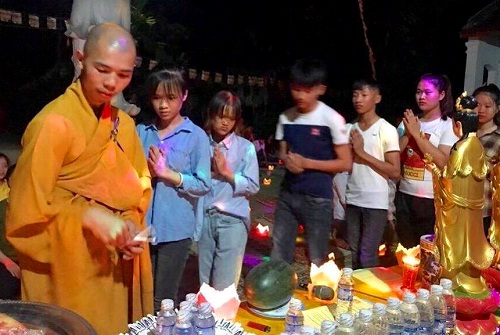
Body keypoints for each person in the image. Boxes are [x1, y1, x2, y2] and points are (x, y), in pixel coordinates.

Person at [6, 23, 153, 335]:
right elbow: (24, 216)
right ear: (80, 58)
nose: (112, 83)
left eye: (124, 74)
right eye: (103, 69)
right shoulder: (53, 124)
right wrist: (84, 217)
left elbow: (139, 189)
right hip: (66, 274)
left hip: (111, 268)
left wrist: (128, 226)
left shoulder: (123, 125)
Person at [136, 69, 211, 310]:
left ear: (184, 97)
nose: (163, 105)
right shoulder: (142, 131)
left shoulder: (196, 136)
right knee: (140, 294)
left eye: (171, 98)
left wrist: (167, 174)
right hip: (142, 225)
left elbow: (203, 184)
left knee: (164, 300)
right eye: (157, 98)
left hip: (176, 229)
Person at [270, 58, 352, 266]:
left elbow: (345, 163)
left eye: (306, 90)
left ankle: (320, 294)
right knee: (279, 253)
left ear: (320, 89)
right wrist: (287, 160)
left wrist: (307, 163)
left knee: (317, 257)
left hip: (318, 199)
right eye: (296, 89)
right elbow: (283, 152)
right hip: (288, 195)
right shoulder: (286, 118)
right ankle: (279, 295)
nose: (299, 95)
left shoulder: (331, 118)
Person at [428, 94, 494, 294]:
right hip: (474, 209)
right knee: (471, 242)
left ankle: (454, 278)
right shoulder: (478, 146)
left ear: (458, 125)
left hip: (457, 208)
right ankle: (468, 275)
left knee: (455, 245)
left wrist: (434, 170)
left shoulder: (460, 147)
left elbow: (450, 178)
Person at [198, 90, 260, 290]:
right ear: (211, 115)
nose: (225, 123)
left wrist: (226, 173)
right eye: (221, 117)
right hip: (205, 216)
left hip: (232, 219)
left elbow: (253, 185)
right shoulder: (200, 142)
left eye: (231, 119)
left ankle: (223, 319)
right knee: (204, 283)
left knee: (224, 286)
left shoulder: (245, 148)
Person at [395, 73, 459, 248]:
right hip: (405, 194)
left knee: (427, 252)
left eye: (428, 92)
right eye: (418, 92)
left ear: (442, 95)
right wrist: (408, 134)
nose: (421, 96)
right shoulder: (408, 122)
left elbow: (444, 161)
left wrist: (417, 135)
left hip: (431, 198)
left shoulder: (448, 125)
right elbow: (393, 157)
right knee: (406, 250)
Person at [345, 78, 400, 269]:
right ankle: (353, 294)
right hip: (353, 197)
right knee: (353, 251)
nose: (358, 99)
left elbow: (394, 171)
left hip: (375, 202)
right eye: (355, 95)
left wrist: (362, 153)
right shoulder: (349, 129)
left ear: (377, 98)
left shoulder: (386, 130)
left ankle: (369, 294)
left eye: (364, 95)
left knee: (367, 253)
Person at [472, 84, 500, 236]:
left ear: (497, 109)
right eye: (477, 105)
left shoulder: (498, 139)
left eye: (487, 106)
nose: (481, 110)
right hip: (457, 204)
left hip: (484, 208)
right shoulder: (463, 132)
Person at [0, 163, 20, 300]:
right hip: (6, 259)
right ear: (8, 182)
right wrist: (8, 262)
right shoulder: (1, 208)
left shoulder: (39, 208)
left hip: (29, 264)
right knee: (7, 290)